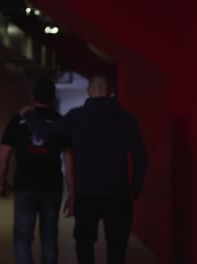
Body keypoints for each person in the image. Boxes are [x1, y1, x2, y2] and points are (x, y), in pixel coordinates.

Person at [21, 75, 147, 264]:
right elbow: (140, 157)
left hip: (87, 195)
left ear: (89, 91)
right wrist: (135, 188)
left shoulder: (76, 117)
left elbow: (45, 133)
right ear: (111, 91)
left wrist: (28, 115)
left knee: (84, 245)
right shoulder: (127, 119)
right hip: (118, 195)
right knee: (117, 248)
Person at [0, 77, 72, 264]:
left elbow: (3, 155)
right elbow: (70, 160)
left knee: (22, 238)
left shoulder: (18, 120)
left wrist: (1, 182)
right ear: (53, 98)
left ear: (32, 96)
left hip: (24, 186)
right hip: (52, 188)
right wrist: (72, 194)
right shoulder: (60, 122)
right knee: (49, 239)